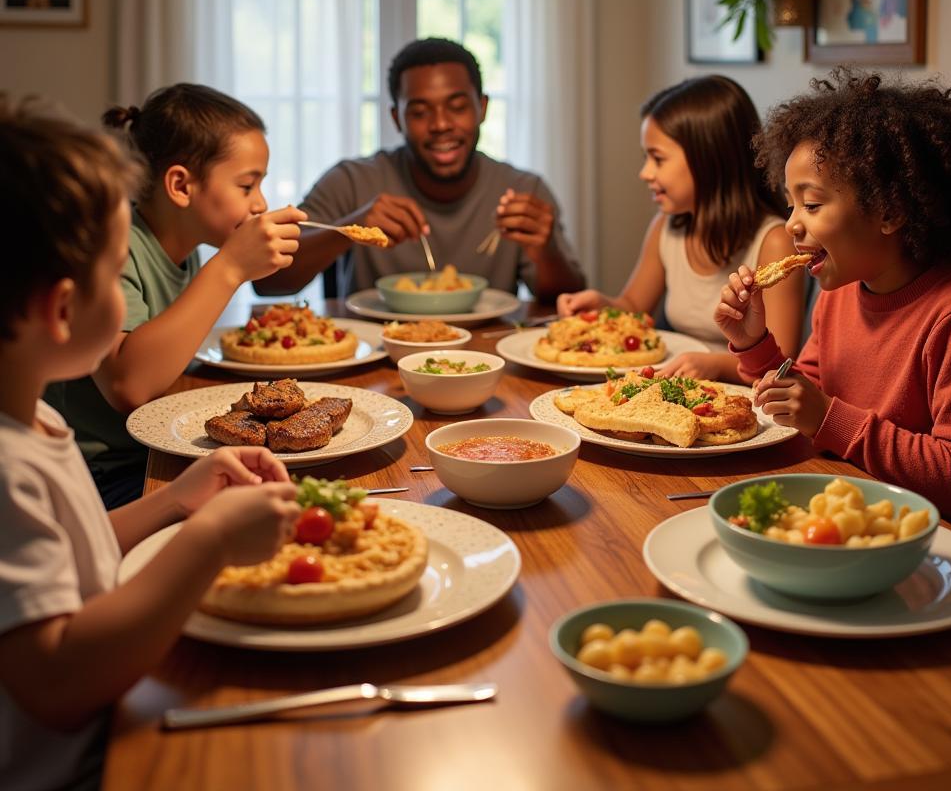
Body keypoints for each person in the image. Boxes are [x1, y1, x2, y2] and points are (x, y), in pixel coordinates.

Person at [0, 112, 299, 791]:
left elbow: (75, 555)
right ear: (62, 310)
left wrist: (177, 500)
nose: (126, 292)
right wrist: (209, 542)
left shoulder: (33, 420)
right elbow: (56, 683)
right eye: (115, 276)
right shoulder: (5, 466)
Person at [715, 68, 951, 535]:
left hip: (948, 547)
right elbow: (803, 401)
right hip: (855, 514)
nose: (792, 224)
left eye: (811, 206)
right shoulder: (839, 294)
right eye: (790, 205)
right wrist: (754, 343)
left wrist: (830, 417)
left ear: (891, 211)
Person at [45, 83, 305, 509]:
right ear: (181, 185)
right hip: (96, 477)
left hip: (153, 450)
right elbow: (129, 385)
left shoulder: (186, 256)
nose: (260, 204)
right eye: (246, 186)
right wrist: (231, 267)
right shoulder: (116, 244)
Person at [256, 38, 585, 302]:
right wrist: (348, 229)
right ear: (396, 118)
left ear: (482, 108)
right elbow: (269, 284)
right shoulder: (351, 182)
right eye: (419, 112)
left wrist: (546, 251)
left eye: (457, 107)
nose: (441, 125)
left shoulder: (524, 189)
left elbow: (572, 299)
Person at [557, 76, 804, 381]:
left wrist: (713, 364)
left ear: (709, 158)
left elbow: (781, 361)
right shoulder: (665, 228)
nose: (645, 172)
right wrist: (602, 304)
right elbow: (635, 308)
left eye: (657, 159)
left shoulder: (774, 241)